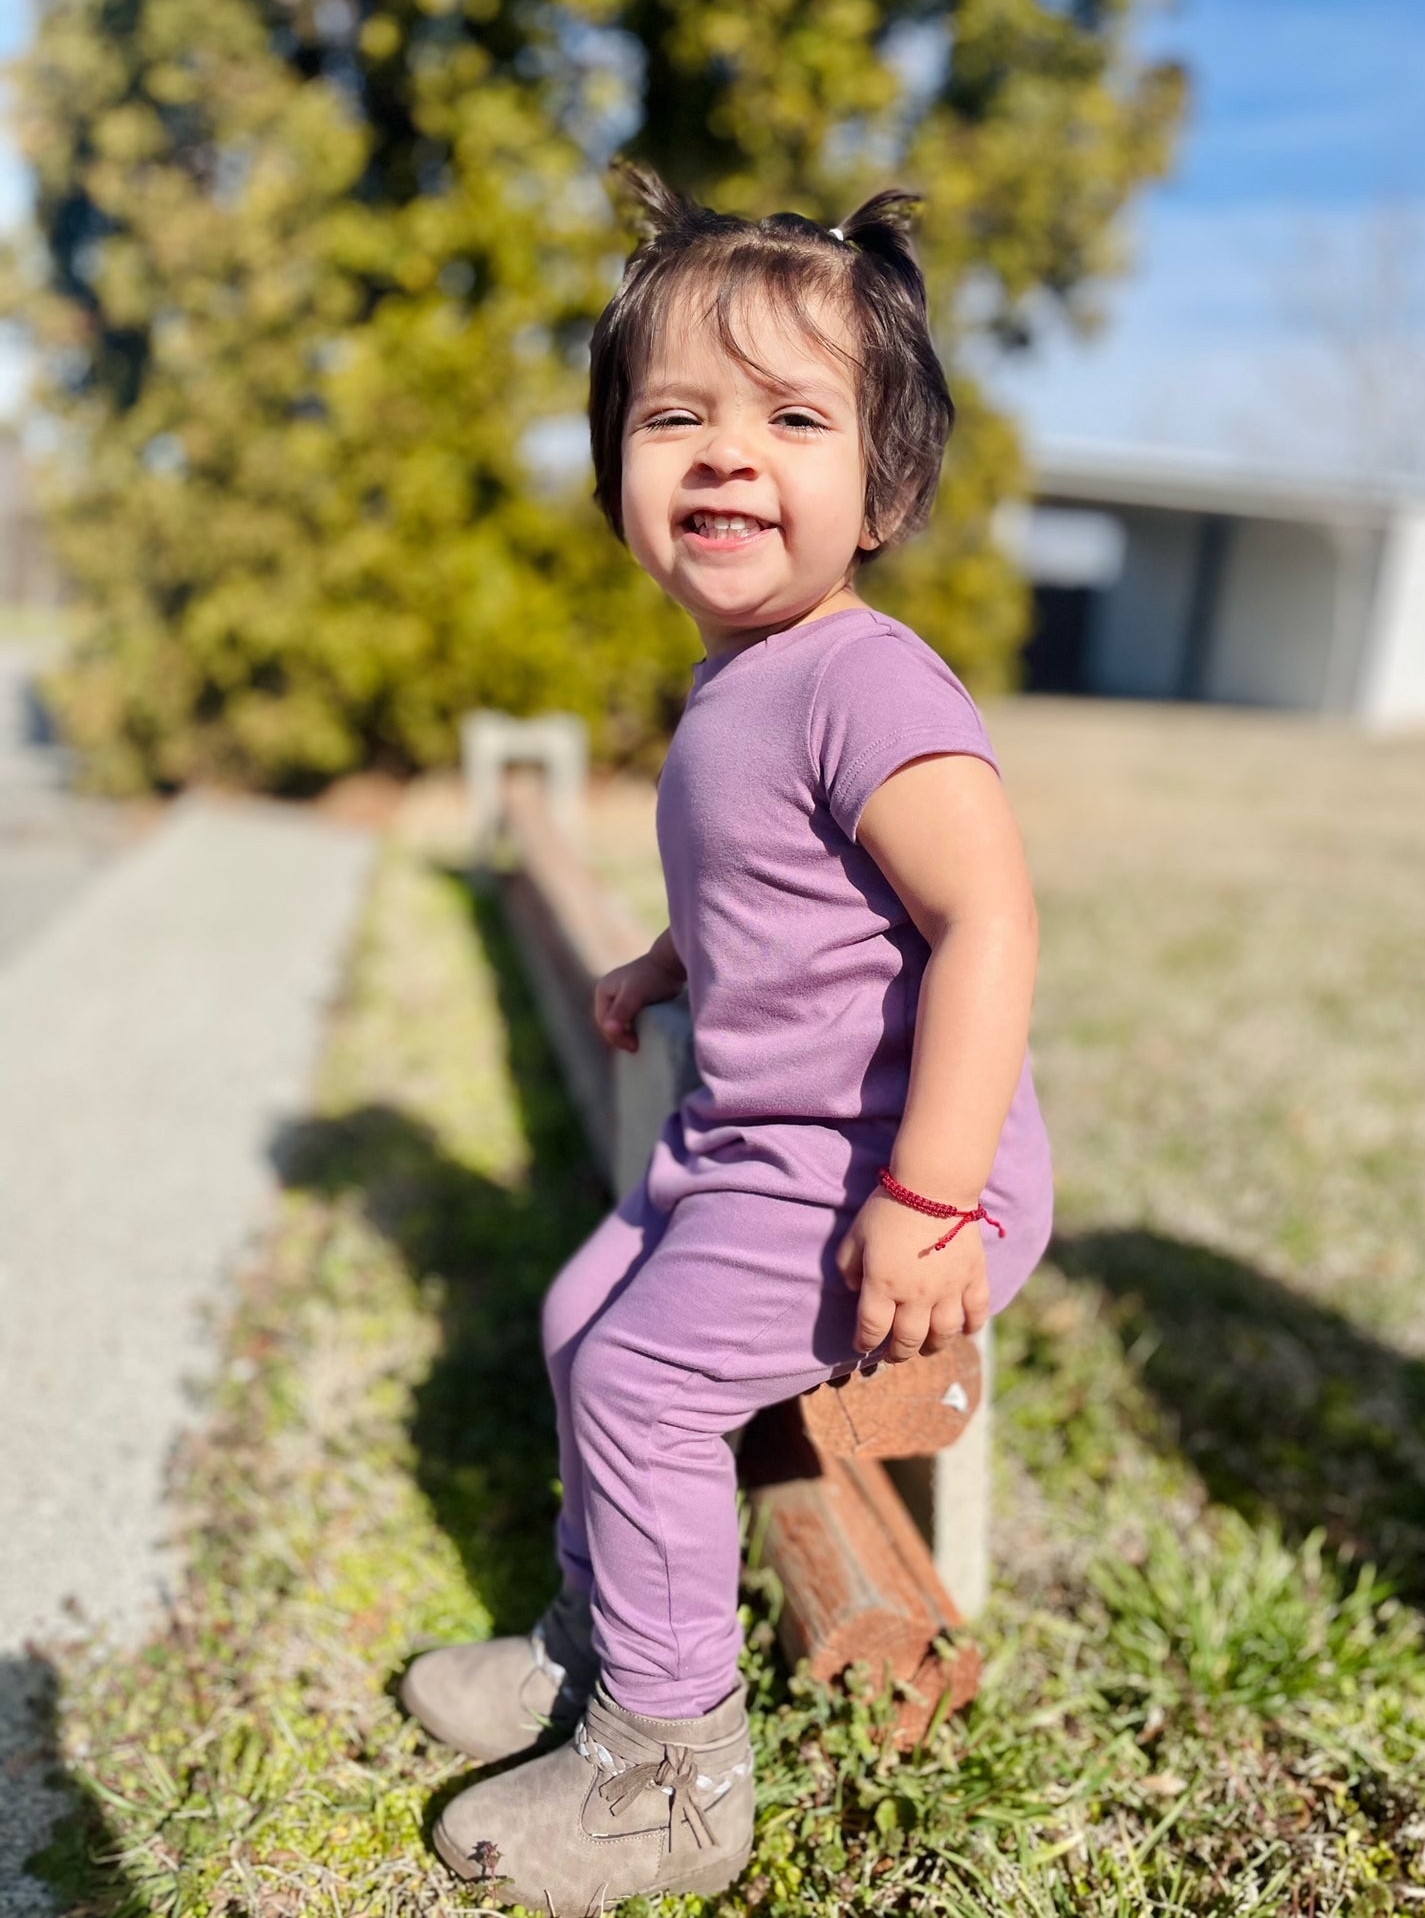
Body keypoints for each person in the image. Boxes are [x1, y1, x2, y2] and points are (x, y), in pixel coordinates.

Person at [399, 161, 1054, 1914]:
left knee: (639, 1378)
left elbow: (981, 924)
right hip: (756, 1141)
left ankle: (670, 1771)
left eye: (790, 416)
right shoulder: (739, 683)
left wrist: (931, 1204)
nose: (723, 453)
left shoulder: (866, 680)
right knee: (574, 1313)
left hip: (886, 1170)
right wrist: (665, 961)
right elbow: (784, 890)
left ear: (884, 483)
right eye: (672, 415)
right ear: (617, 462)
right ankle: (595, 1637)